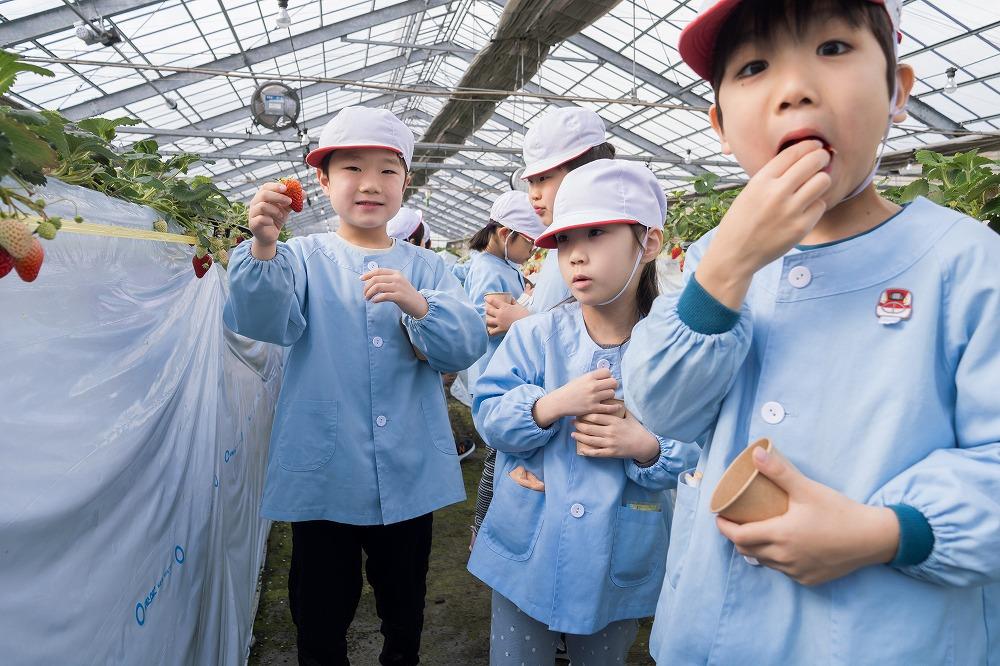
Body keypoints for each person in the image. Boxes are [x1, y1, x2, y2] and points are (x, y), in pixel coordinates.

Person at [622, 1, 1000, 663]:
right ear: (720, 126)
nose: (793, 88)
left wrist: (888, 533)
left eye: (832, 48)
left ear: (897, 92)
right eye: (755, 66)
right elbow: (662, 409)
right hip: (705, 633)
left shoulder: (967, 265)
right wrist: (730, 266)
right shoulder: (715, 254)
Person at [224, 106, 487, 666]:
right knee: (319, 608)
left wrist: (419, 304)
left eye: (388, 170)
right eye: (351, 168)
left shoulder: (428, 268)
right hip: (327, 473)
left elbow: (464, 347)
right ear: (322, 180)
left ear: (406, 182)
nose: (371, 183)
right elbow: (263, 322)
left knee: (405, 603)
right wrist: (265, 244)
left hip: (409, 468)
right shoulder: (299, 259)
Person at [469, 160, 699, 665]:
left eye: (596, 234)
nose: (576, 256)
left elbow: (699, 446)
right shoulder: (535, 335)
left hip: (618, 551)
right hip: (528, 542)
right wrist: (550, 405)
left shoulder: (671, 349)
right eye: (564, 241)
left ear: (649, 243)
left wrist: (647, 447)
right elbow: (489, 414)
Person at [484, 107, 616, 335]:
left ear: (584, 173)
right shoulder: (560, 248)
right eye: (531, 182)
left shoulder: (606, 249)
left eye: (543, 179)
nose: (533, 194)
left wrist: (524, 320)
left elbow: (591, 332)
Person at [463, 191, 546, 544]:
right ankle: (483, 531)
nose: (533, 250)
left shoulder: (502, 267)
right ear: (504, 235)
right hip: (497, 378)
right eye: (529, 241)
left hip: (501, 375)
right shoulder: (488, 270)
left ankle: (483, 529)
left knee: (497, 459)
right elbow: (488, 322)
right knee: (496, 459)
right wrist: (523, 315)